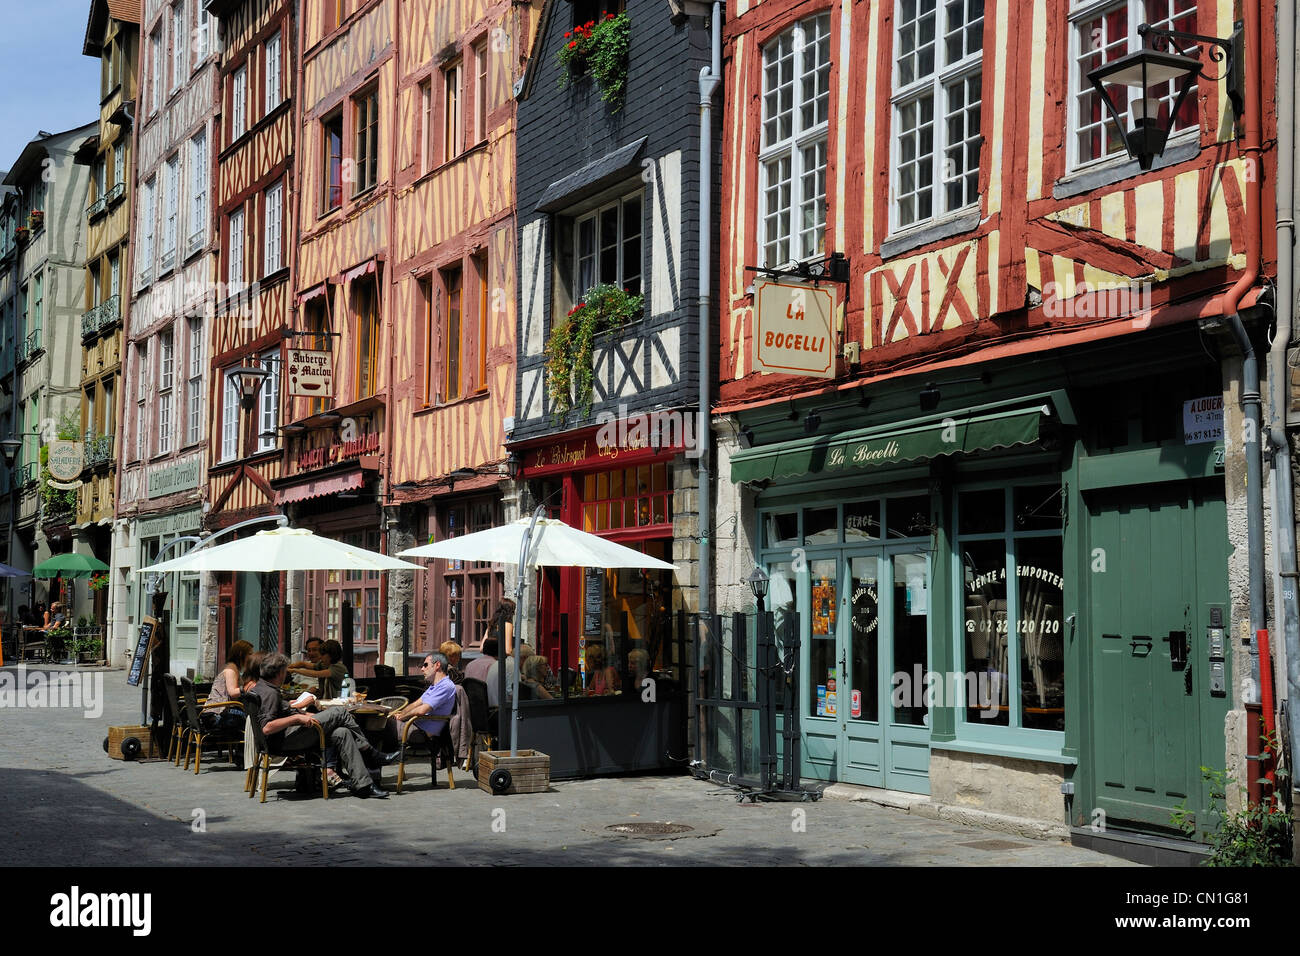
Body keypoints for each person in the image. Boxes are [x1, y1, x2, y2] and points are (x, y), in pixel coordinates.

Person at [247, 653, 397, 799]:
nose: (286, 674)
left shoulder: (262, 687)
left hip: (284, 737)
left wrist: (311, 716)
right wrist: (297, 718)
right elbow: (267, 727)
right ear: (279, 673)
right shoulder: (270, 693)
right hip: (283, 741)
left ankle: (363, 785)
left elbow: (285, 712)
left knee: (342, 732)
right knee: (339, 711)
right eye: (285, 671)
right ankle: (371, 754)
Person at [384, 653, 457, 751]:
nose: (422, 669)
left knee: (379, 725)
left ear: (437, 665)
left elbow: (421, 710)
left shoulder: (446, 686)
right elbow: (415, 704)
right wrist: (401, 714)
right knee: (376, 723)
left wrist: (402, 717)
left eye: (425, 665)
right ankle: (374, 759)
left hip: (422, 732)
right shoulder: (434, 686)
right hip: (414, 725)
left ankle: (374, 760)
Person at [204, 640, 253, 732]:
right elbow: (233, 692)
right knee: (254, 722)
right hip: (218, 716)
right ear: (241, 654)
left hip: (217, 713)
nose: (252, 657)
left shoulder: (233, 668)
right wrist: (246, 688)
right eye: (250, 654)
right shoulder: (231, 670)